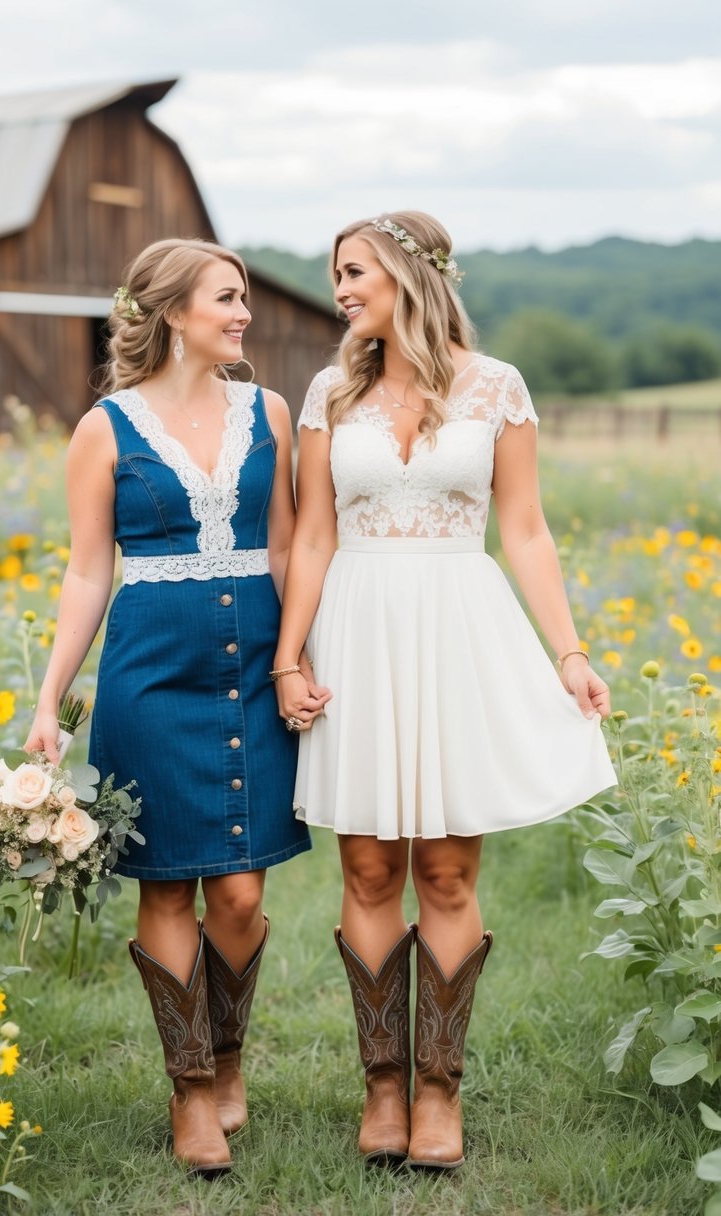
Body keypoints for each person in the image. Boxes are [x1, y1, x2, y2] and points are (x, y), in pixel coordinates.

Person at [273, 211, 617, 1172]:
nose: (340, 289)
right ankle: (381, 1086)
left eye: (354, 271)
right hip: (359, 630)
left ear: (409, 273)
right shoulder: (328, 395)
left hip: (459, 628)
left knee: (448, 873)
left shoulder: (495, 386)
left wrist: (569, 651)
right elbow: (310, 536)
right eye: (334, 274)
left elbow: (528, 530)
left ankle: (439, 1091)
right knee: (371, 869)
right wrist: (288, 659)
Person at [25, 238, 323, 1177]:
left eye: (240, 298)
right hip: (148, 671)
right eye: (225, 299)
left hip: (250, 667)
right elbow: (86, 569)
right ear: (171, 312)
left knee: (238, 888)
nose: (242, 314)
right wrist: (50, 696)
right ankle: (190, 1086)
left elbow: (283, 550)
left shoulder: (268, 411)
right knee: (166, 882)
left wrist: (292, 660)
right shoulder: (103, 428)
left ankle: (227, 1055)